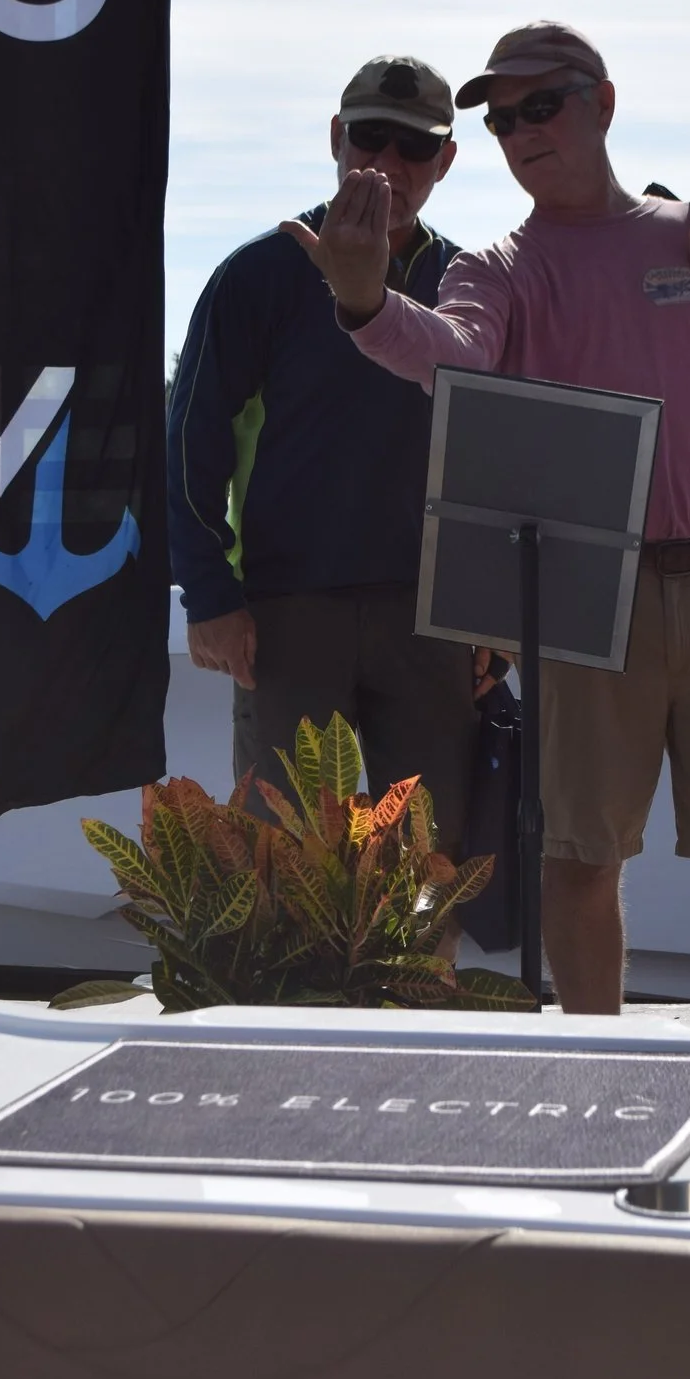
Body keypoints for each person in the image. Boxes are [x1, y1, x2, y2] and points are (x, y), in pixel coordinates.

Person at [285, 21, 690, 1030]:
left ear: (603, 104)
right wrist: (365, 303)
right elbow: (450, 353)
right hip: (589, 598)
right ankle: (595, 1069)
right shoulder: (497, 269)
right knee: (579, 863)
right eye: (501, 119)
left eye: (541, 105)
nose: (521, 130)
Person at [166, 55, 497, 843]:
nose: (386, 163)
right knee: (280, 861)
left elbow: (505, 458)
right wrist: (209, 595)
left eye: (414, 146)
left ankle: (416, 979)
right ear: (335, 139)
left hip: (432, 622)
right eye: (368, 137)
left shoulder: (471, 283)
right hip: (286, 616)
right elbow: (188, 437)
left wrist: (495, 615)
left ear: (446, 161)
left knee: (426, 863)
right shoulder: (261, 274)